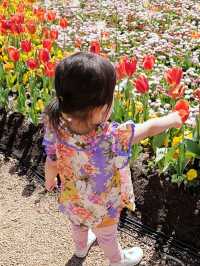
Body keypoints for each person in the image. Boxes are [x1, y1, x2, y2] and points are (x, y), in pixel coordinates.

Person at [42, 52, 183, 266]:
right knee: (106, 235)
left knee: (78, 225)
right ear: (99, 109)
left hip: (72, 197)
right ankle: (117, 261)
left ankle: (80, 250)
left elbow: (51, 160)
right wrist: (172, 119)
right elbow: (149, 128)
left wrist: (49, 179)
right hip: (102, 205)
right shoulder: (112, 137)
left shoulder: (55, 124)